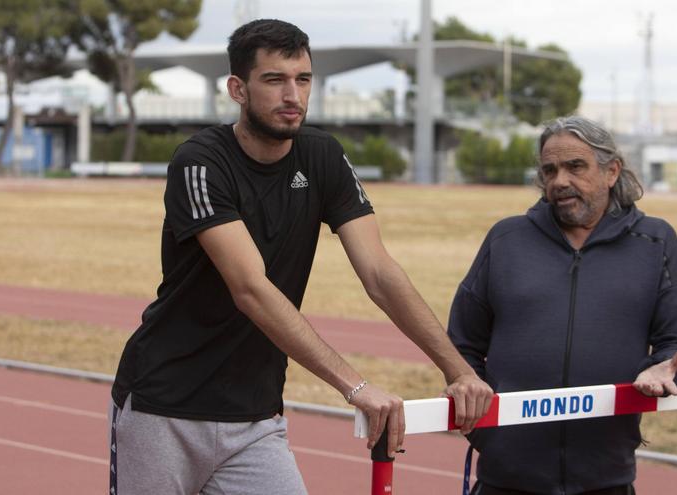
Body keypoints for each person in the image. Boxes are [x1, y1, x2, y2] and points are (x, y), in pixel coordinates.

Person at [108, 19, 492, 495]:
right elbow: (251, 289)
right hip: (165, 408)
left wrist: (457, 369)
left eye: (303, 79)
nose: (293, 95)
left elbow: (378, 271)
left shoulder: (322, 156)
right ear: (238, 89)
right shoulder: (201, 161)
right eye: (274, 80)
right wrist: (355, 386)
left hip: (255, 417)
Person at [447, 115, 677, 495]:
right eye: (549, 170)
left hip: (606, 477)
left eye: (575, 167)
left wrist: (663, 371)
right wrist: (474, 399)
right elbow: (462, 342)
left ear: (611, 171)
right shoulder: (506, 239)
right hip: (506, 477)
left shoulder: (656, 241)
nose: (559, 181)